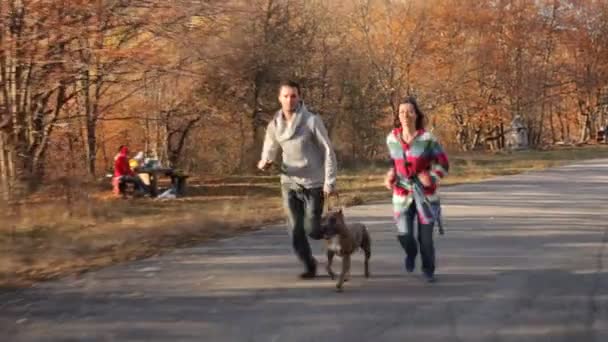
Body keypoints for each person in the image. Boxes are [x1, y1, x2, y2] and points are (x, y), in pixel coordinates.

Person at [258, 80, 338, 279]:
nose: (289, 100)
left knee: (312, 229)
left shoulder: (311, 121)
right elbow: (270, 148)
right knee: (295, 229)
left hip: (313, 183)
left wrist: (329, 181)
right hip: (289, 182)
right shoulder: (275, 124)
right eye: (285, 96)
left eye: (293, 96)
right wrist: (265, 161)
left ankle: (334, 228)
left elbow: (328, 151)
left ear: (299, 97)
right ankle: (309, 265)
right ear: (279, 98)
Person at [384, 97, 449, 283]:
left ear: (417, 114)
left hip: (425, 195)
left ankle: (428, 269)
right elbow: (393, 163)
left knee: (426, 239)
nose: (406, 115)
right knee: (403, 234)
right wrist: (390, 175)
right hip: (401, 194)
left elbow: (443, 164)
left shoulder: (428, 139)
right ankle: (410, 253)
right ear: (398, 115)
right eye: (402, 111)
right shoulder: (392, 138)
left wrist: (432, 177)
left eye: (410, 111)